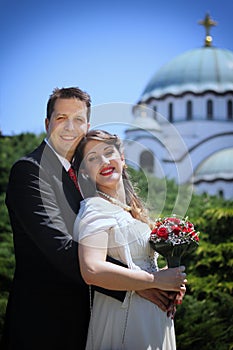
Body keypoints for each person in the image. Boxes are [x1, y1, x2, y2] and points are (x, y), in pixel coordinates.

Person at [1, 87, 182, 350]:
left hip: (90, 319)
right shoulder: (31, 171)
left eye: (78, 120)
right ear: (47, 123)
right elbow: (60, 248)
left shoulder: (86, 180)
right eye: (61, 118)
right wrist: (139, 283)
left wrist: (168, 281)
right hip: (45, 324)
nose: (69, 127)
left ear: (87, 126)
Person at [73, 129, 187, 350]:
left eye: (108, 152)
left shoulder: (132, 211)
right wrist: (156, 281)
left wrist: (172, 281)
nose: (104, 161)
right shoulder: (95, 209)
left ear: (122, 159)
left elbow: (141, 262)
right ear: (85, 172)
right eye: (93, 158)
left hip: (155, 320)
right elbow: (91, 269)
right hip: (125, 319)